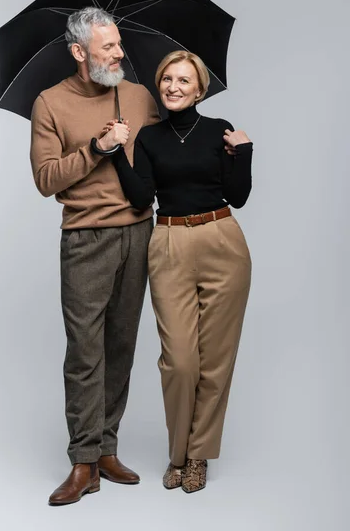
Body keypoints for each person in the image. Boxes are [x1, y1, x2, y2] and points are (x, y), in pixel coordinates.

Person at [30, 7, 159, 506]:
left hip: (139, 234)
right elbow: (45, 180)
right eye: (109, 48)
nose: (120, 53)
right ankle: (83, 462)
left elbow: (168, 145)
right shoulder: (50, 103)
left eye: (119, 44)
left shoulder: (139, 96)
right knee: (86, 352)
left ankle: (107, 448)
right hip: (85, 239)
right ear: (79, 52)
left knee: (122, 343)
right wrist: (97, 146)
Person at [108, 50, 253, 493]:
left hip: (222, 241)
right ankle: (177, 452)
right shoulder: (149, 137)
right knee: (181, 362)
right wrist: (117, 151)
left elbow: (239, 194)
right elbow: (139, 199)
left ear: (199, 88)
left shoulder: (218, 130)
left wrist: (243, 152)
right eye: (167, 78)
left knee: (215, 362)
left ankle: (197, 457)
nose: (173, 86)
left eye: (184, 80)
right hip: (168, 243)